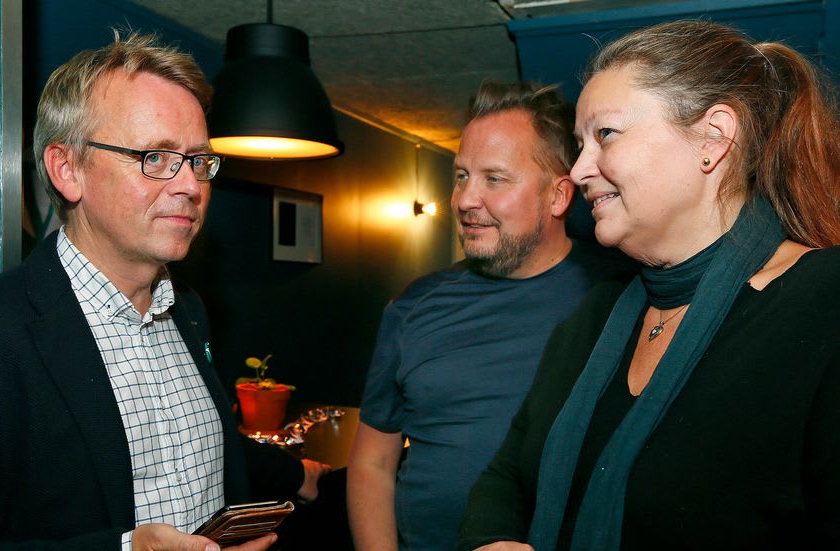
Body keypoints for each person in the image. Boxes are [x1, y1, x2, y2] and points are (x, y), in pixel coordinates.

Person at [0, 31, 329, 551]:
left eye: (199, 161)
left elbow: (198, 445)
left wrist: (296, 475)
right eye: (155, 157)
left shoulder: (187, 310)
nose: (190, 186)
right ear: (67, 170)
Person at [458, 19, 840, 551]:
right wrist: (492, 539)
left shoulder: (825, 304)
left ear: (713, 137)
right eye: (579, 144)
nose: (579, 170)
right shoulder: (593, 317)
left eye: (605, 135)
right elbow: (506, 474)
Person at [346, 81, 632, 551]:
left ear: (558, 196)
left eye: (494, 179)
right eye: (462, 175)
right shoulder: (413, 306)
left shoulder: (621, 296)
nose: (464, 200)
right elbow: (373, 462)